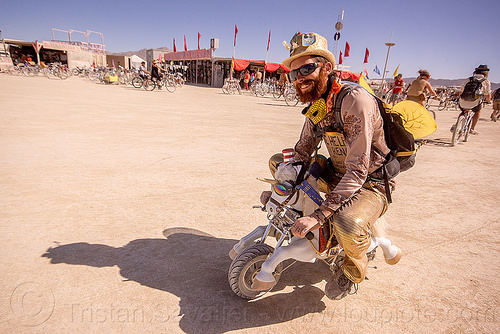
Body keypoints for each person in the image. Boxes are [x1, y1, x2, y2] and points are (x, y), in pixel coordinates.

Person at [260, 32, 401, 300]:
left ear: (327, 68)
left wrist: (318, 215)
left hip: (371, 182)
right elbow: (302, 149)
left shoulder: (355, 101)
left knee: (346, 222)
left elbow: (358, 169)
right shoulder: (318, 105)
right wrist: (282, 186)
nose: (300, 77)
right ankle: (320, 232)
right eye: (294, 73)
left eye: (307, 68)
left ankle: (352, 271)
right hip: (336, 173)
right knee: (279, 163)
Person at [455, 65, 491, 134]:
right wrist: (488, 101)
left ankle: (457, 125)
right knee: (477, 112)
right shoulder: (485, 81)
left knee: (463, 111)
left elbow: (461, 91)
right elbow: (487, 94)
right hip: (474, 102)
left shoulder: (468, 79)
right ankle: (472, 129)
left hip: (463, 101)